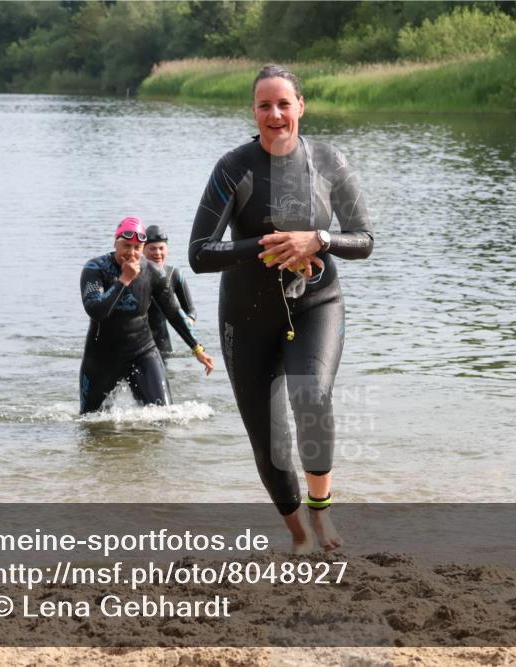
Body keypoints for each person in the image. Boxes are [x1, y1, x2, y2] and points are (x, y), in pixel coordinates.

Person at [188, 64, 373, 552]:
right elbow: (199, 253)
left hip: (317, 302)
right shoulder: (234, 167)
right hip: (246, 316)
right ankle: (298, 536)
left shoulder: (329, 162)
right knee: (269, 442)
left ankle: (322, 515)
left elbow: (365, 240)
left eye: (283, 103)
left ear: (300, 107)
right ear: (254, 111)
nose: (275, 113)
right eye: (264, 105)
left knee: (311, 397)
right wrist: (264, 247)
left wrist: (319, 239)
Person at [80, 216, 214, 414]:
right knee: (91, 422)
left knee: (163, 416)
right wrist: (123, 280)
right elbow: (96, 310)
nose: (131, 253)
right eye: (126, 245)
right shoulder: (95, 269)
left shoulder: (153, 272)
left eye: (137, 247)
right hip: (102, 356)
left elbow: (173, 312)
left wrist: (197, 348)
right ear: (115, 242)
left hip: (142, 352)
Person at [144, 224, 197, 361]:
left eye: (161, 248)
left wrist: (187, 322)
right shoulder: (134, 276)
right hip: (137, 343)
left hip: (163, 347)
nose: (157, 253)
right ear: (142, 250)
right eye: (152, 249)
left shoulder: (174, 275)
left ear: (167, 249)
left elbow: (191, 311)